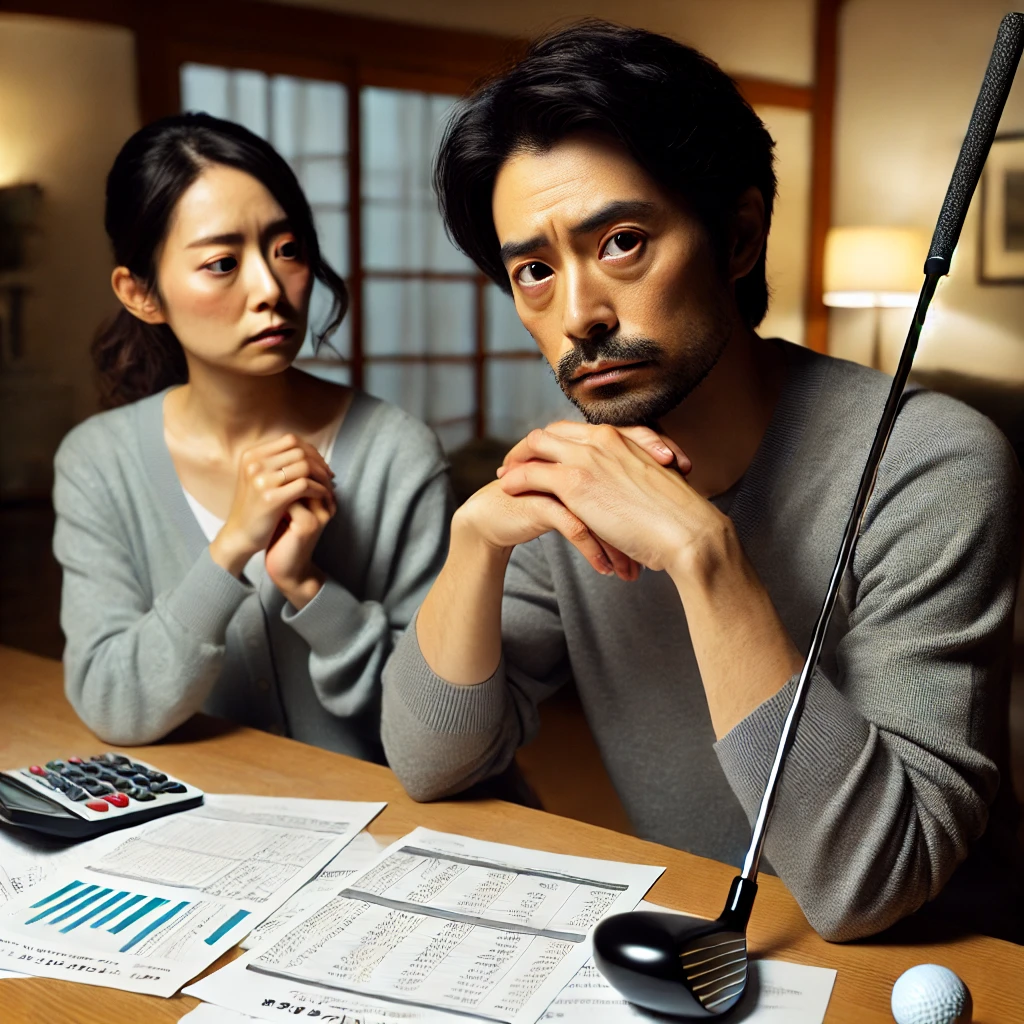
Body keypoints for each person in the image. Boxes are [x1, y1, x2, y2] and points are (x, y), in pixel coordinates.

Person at [380, 21, 1022, 941]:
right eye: (533, 271)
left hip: (933, 966)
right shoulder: (576, 473)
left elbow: (871, 885)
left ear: (739, 237)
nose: (579, 316)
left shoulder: (933, 462)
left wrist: (703, 556)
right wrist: (474, 544)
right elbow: (430, 761)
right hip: (711, 935)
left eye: (624, 243)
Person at [53, 113, 452, 760]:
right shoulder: (98, 462)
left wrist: (309, 587)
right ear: (140, 293)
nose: (270, 288)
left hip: (395, 837)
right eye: (221, 263)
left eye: (287, 249)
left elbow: (439, 732)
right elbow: (112, 702)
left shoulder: (395, 453)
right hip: (217, 841)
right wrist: (231, 546)